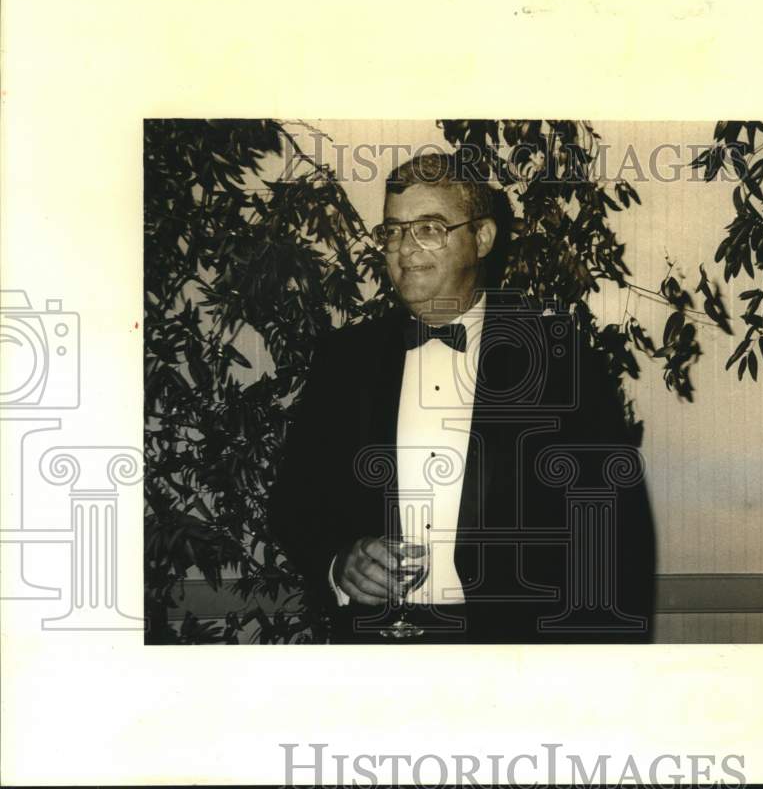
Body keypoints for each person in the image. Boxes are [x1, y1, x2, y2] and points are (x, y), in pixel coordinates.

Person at [268, 152, 654, 643]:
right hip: (373, 653)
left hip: (514, 659)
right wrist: (337, 562)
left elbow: (614, 536)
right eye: (392, 231)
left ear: (483, 238)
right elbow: (295, 501)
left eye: (428, 228)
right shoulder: (345, 360)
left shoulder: (560, 363)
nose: (404, 250)